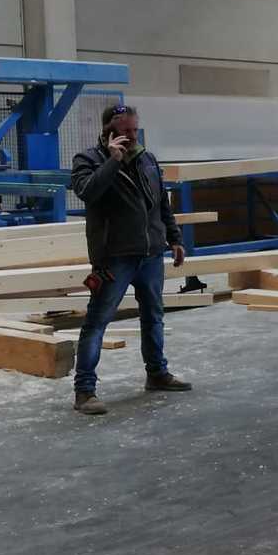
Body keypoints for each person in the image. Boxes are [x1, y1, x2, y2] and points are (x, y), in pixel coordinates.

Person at [69, 104, 191, 415]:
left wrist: (175, 238)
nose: (133, 136)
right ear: (109, 131)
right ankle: (84, 391)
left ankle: (157, 373)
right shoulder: (88, 160)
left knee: (154, 316)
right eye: (126, 131)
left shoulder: (147, 159)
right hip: (114, 258)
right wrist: (113, 161)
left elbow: (161, 203)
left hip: (151, 255)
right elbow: (87, 192)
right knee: (97, 322)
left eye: (136, 130)